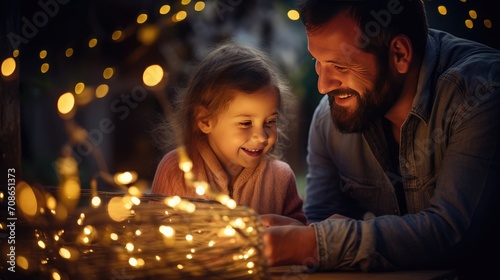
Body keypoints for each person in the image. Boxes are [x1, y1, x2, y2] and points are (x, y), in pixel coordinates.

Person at [261, 0, 500, 278]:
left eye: (339, 65)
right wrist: (303, 234)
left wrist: (312, 242)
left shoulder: (481, 92)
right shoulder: (330, 119)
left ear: (399, 54)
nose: (323, 85)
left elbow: (453, 232)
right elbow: (322, 226)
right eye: (318, 62)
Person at [151, 42, 307, 224]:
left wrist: (282, 227)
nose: (262, 136)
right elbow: (153, 235)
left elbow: (302, 236)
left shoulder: (280, 178)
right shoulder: (175, 171)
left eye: (270, 121)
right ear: (205, 120)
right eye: (245, 123)